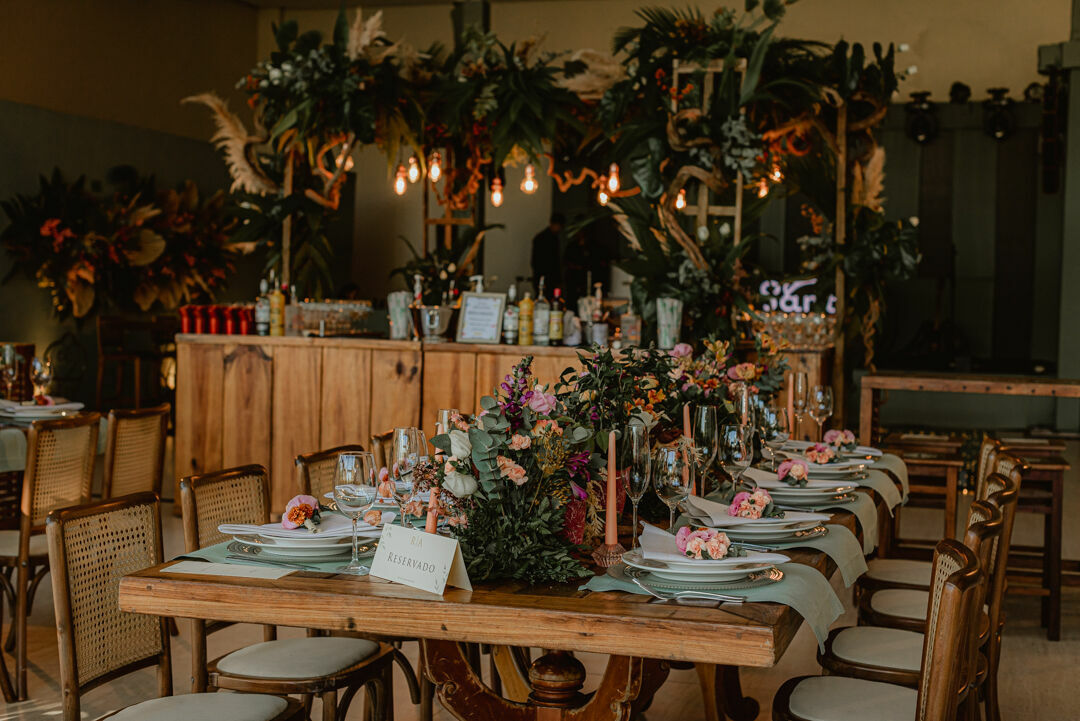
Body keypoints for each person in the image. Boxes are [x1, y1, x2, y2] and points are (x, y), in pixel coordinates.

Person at [530, 212, 564, 295]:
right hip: (544, 277)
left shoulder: (552, 238)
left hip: (546, 277)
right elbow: (537, 261)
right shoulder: (543, 238)